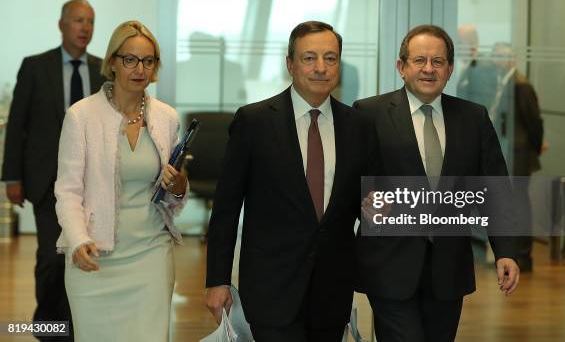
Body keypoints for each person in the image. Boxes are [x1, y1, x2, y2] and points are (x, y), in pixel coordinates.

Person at [205, 21, 378, 342]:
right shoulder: (253, 122)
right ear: (290, 64)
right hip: (271, 285)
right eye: (309, 58)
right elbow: (226, 207)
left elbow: (361, 202)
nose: (321, 68)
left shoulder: (359, 126)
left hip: (332, 287)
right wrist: (218, 280)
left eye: (331, 58)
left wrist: (374, 209)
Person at [354, 25, 520, 342]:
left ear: (450, 69)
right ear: (401, 67)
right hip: (388, 265)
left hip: (449, 270)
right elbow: (350, 183)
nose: (429, 69)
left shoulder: (473, 117)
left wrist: (505, 251)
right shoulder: (369, 114)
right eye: (419, 60)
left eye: (438, 61)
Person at [54, 20, 188, 342]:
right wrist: (77, 239)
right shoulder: (81, 116)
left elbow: (173, 193)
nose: (139, 69)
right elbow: (68, 190)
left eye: (148, 60)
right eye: (129, 59)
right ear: (112, 62)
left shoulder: (167, 117)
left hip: (150, 254)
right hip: (95, 257)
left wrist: (178, 185)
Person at [1, 0, 104, 341]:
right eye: (78, 20)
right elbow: (17, 125)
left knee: (86, 254)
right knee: (52, 257)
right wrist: (11, 177)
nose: (85, 27)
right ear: (61, 24)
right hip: (47, 179)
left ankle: (80, 326)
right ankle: (49, 327)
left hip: (92, 181)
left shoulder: (104, 69)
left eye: (90, 21)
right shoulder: (35, 66)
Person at [492, 42, 545, 272]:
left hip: (519, 153)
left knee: (519, 202)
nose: (497, 60)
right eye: (495, 56)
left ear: (512, 59)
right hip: (510, 150)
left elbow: (534, 122)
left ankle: (523, 254)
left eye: (501, 56)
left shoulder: (520, 85)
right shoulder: (505, 81)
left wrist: (534, 147)